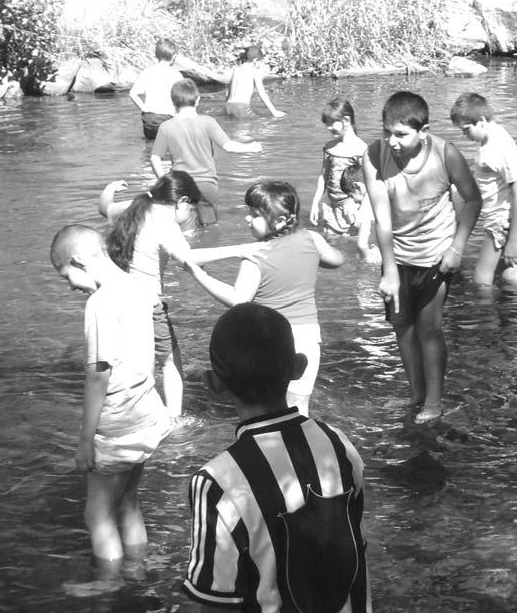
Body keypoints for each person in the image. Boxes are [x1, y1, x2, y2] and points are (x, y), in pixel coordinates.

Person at [182, 302, 371, 612]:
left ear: (213, 383)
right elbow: (355, 554)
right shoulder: (340, 447)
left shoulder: (216, 483)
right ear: (299, 368)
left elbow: (216, 602)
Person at [49, 224, 171, 587]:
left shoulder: (100, 303)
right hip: (147, 413)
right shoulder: (139, 288)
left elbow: (98, 375)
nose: (69, 284)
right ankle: (136, 569)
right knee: (129, 500)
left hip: (116, 422)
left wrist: (86, 439)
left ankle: (109, 583)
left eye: (65, 274)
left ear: (79, 260)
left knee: (97, 513)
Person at [100, 171, 270, 421]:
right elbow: (187, 259)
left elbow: (104, 208)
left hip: (113, 301)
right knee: (170, 361)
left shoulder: (134, 206)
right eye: (191, 208)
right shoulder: (165, 222)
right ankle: (173, 419)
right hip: (146, 304)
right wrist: (239, 250)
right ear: (182, 202)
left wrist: (110, 187)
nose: (191, 215)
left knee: (129, 360)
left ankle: (124, 411)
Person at [362, 91, 482, 423]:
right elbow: (382, 219)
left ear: (423, 131)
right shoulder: (373, 155)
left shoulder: (447, 154)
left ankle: (434, 401)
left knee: (429, 328)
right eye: (388, 132)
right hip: (397, 256)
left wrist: (456, 247)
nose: (392, 141)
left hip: (436, 256)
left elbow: (472, 200)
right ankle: (415, 394)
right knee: (402, 326)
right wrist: (387, 270)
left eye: (401, 134)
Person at [185, 181, 344, 417]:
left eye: (255, 215)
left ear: (279, 220)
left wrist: (199, 274)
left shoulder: (255, 258)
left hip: (270, 340)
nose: (248, 219)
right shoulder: (311, 237)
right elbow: (337, 260)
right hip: (308, 336)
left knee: (265, 409)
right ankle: (303, 449)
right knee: (299, 406)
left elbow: (238, 300)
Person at [151, 78, 262, 228]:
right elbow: (229, 146)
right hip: (207, 185)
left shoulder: (166, 127)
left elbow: (155, 158)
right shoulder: (208, 121)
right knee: (210, 227)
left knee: (186, 229)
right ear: (197, 100)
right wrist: (251, 147)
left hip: (181, 186)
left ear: (173, 102)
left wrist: (165, 181)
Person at [449, 92, 517, 286]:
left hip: (503, 220)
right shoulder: (490, 140)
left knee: (481, 280)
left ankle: (487, 316)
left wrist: (512, 241)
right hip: (504, 219)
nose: (464, 135)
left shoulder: (500, 147)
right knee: (509, 277)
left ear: (481, 121)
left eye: (466, 129)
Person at [309, 98, 369, 238]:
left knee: (351, 242)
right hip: (332, 204)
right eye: (327, 124)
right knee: (331, 240)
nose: (329, 128)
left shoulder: (360, 149)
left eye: (332, 123)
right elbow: (323, 177)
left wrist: (363, 211)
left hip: (352, 205)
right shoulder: (330, 147)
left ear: (346, 120)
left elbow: (367, 184)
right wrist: (315, 203)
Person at [129, 38, 183, 140]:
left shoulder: (147, 72)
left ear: (156, 55)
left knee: (151, 146)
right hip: (167, 118)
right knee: (169, 148)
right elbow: (182, 100)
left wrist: (144, 109)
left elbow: (133, 94)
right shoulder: (176, 75)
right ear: (174, 56)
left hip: (149, 118)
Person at [223, 45, 286, 118]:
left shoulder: (236, 70)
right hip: (241, 106)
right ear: (255, 60)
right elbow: (262, 94)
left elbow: (227, 94)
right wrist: (274, 112)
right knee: (260, 123)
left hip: (228, 106)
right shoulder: (254, 72)